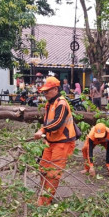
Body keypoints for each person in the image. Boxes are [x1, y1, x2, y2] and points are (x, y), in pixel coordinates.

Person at [34, 76, 77, 206]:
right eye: (44, 92)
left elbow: (57, 123)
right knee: (43, 169)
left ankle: (45, 202)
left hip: (62, 143)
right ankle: (42, 195)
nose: (45, 94)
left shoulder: (61, 103)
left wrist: (42, 130)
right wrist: (45, 137)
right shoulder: (50, 104)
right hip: (51, 142)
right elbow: (49, 122)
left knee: (53, 174)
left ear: (55, 89)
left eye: (47, 91)